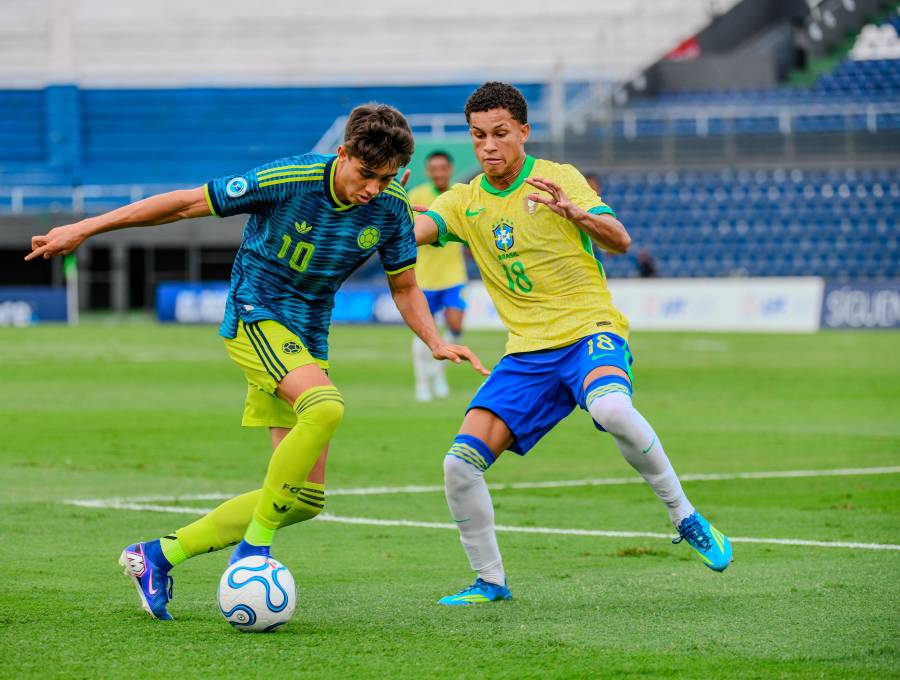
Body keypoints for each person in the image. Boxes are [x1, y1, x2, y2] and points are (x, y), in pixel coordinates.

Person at [26, 104, 488, 620]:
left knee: (304, 498)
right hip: (256, 312)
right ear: (342, 153)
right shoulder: (290, 178)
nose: (373, 189)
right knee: (326, 407)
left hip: (309, 335)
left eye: (385, 178)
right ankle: (254, 549)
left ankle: (156, 556)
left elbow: (404, 285)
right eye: (365, 174)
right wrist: (84, 229)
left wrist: (434, 341)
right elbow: (182, 205)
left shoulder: (391, 208)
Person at [413, 82, 732, 606]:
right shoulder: (464, 201)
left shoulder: (557, 177)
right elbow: (415, 232)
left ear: (523, 132)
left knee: (611, 408)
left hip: (589, 331)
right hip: (526, 353)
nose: (488, 146)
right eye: (478, 136)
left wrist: (576, 214)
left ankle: (686, 517)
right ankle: (490, 581)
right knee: (458, 464)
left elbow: (619, 239)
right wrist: (385, 212)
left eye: (499, 134)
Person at [407, 150, 468, 401]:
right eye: (434, 168)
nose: (439, 172)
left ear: (450, 169)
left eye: (443, 168)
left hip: (453, 275)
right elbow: (409, 232)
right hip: (425, 279)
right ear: (428, 171)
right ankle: (421, 383)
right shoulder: (417, 196)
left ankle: (438, 372)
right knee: (424, 332)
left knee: (455, 325)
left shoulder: (460, 195)